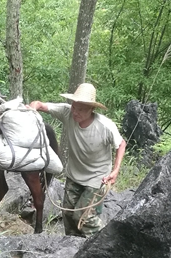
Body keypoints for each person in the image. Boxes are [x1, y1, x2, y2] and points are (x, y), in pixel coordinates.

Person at [29, 83, 126, 236]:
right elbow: (39, 105)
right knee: (67, 216)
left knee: (84, 218)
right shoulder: (67, 113)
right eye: (74, 106)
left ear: (91, 109)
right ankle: (72, 248)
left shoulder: (105, 126)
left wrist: (116, 170)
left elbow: (121, 144)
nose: (75, 112)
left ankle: (103, 243)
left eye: (81, 109)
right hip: (74, 175)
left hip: (97, 178)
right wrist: (32, 109)